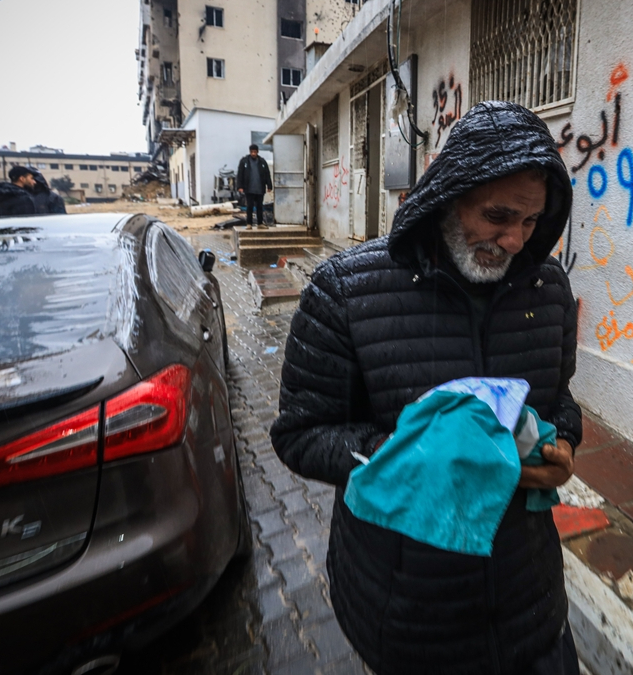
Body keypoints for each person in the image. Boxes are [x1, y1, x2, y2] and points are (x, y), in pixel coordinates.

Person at [270, 101, 582, 675]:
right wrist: (416, 456)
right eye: (498, 216)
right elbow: (301, 435)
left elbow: (558, 400)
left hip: (530, 601)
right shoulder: (345, 291)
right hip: (409, 613)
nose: (516, 240)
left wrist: (561, 441)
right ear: (447, 195)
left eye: (531, 222)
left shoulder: (549, 291)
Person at [236, 144, 272, 228]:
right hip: (249, 189)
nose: (253, 154)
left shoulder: (262, 162)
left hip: (260, 188)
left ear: (257, 152)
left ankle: (260, 223)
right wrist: (239, 186)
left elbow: (267, 174)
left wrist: (269, 185)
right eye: (252, 152)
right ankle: (249, 223)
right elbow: (240, 174)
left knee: (260, 206)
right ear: (250, 152)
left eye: (255, 152)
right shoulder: (244, 161)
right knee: (250, 206)